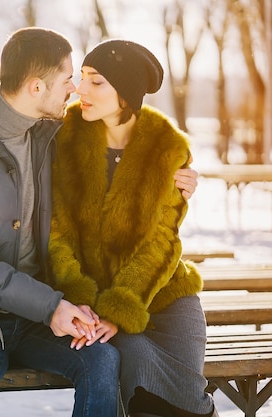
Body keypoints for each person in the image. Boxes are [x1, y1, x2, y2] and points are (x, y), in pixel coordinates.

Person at [0, 27, 199, 417]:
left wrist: (177, 175)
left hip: (33, 312)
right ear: (36, 87)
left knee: (104, 362)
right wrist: (52, 306)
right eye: (69, 78)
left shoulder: (50, 133)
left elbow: (123, 145)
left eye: (85, 79)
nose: (76, 88)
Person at [47, 39, 217, 417]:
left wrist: (121, 309)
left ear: (125, 94)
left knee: (187, 393)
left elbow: (163, 241)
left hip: (165, 291)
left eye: (97, 82)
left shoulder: (168, 147)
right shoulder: (62, 138)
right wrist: (85, 301)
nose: (81, 89)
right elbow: (55, 233)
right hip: (93, 296)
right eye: (82, 78)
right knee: (136, 367)